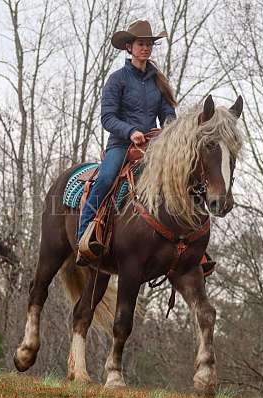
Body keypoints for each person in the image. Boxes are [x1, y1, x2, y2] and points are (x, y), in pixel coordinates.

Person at [76, 20, 178, 266]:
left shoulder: (157, 81)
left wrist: (171, 131)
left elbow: (168, 114)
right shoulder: (117, 79)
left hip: (152, 147)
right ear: (129, 47)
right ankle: (83, 238)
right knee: (105, 179)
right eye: (141, 44)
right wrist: (131, 131)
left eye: (149, 44)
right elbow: (107, 117)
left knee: (179, 178)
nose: (146, 48)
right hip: (121, 145)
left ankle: (187, 245)